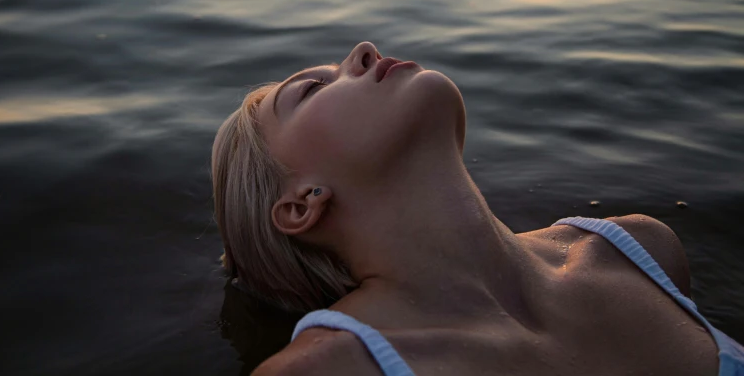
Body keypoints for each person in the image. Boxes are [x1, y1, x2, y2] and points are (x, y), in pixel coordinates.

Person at [211, 42, 744, 375]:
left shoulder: (639, 251)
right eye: (312, 89)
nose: (364, 51)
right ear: (301, 203)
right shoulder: (333, 368)